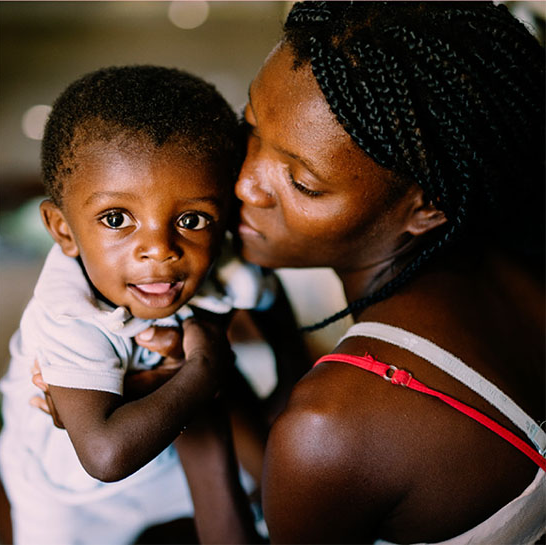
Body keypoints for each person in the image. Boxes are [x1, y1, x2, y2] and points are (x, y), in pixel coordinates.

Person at [133, 2, 545, 544]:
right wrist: (222, 379)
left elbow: (326, 456)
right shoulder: (515, 267)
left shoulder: (332, 425)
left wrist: (193, 430)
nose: (247, 185)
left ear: (429, 207)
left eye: (302, 182)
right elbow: (333, 482)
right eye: (252, 126)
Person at [0, 64, 306, 545]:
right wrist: (204, 368)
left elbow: (270, 304)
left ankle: (274, 507)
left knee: (262, 465)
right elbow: (104, 456)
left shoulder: (225, 268)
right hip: (66, 489)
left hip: (166, 455)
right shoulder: (67, 314)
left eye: (192, 218)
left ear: (224, 220)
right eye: (117, 218)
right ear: (62, 230)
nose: (159, 249)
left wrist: (290, 385)